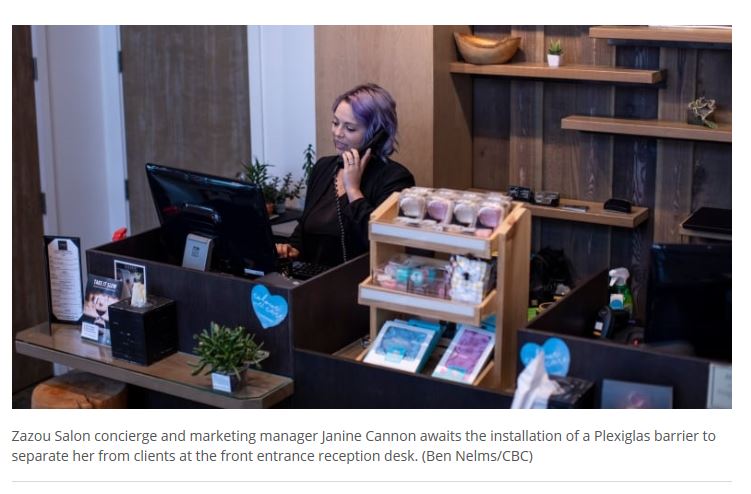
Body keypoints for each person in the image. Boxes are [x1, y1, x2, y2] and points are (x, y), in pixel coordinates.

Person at [277, 83, 415, 267]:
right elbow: (304, 229)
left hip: (357, 281)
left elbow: (380, 242)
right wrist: (292, 249)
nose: (337, 133)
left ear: (376, 134)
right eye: (335, 123)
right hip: (312, 280)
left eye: (350, 128)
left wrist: (353, 190)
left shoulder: (395, 179)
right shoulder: (323, 167)